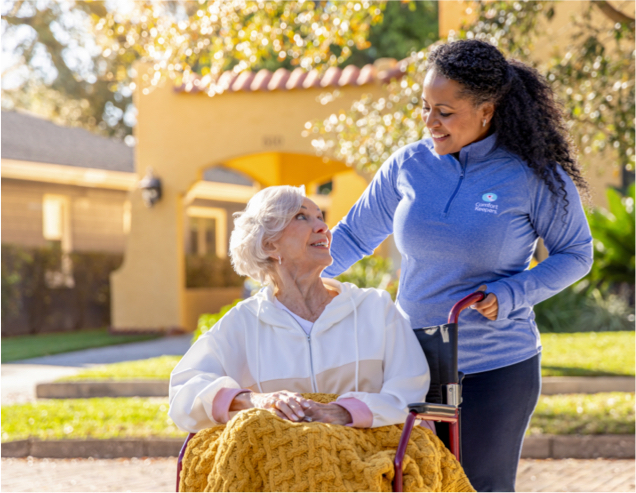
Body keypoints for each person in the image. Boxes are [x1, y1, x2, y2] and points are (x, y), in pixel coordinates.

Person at [322, 39, 593, 491]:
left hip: (496, 366)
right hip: (414, 362)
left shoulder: (532, 174)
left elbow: (576, 253)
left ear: (487, 110)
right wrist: (294, 281)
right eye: (425, 107)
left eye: (444, 112)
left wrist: (511, 294)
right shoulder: (408, 166)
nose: (430, 122)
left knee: (479, 485)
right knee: (414, 482)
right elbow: (352, 237)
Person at [169, 185, 430, 432]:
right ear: (269, 245)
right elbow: (184, 392)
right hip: (282, 467)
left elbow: (410, 388)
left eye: (320, 216)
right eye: (302, 217)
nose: (323, 227)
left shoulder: (375, 308)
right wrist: (254, 401)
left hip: (372, 460)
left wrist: (346, 412)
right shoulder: (244, 322)